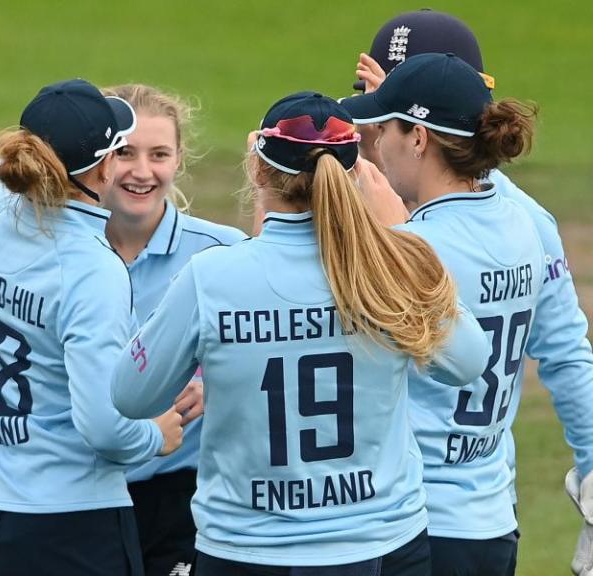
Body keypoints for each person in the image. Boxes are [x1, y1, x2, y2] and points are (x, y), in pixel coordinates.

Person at [112, 90, 490, 575]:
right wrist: (402, 242)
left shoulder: (212, 277)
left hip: (247, 551)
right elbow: (468, 362)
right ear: (354, 173)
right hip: (381, 543)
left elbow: (129, 396)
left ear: (257, 170)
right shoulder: (392, 267)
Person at [350, 11, 593, 575]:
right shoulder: (519, 221)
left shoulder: (406, 233)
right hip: (484, 517)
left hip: (404, 522)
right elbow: (567, 354)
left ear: (420, 131)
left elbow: (563, 354)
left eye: (385, 105)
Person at [0, 78, 184, 576]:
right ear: (103, 168)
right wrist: (155, 437)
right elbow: (103, 426)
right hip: (68, 527)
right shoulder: (91, 269)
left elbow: (1, 170)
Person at [101, 83, 247, 576]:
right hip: (82, 493)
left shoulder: (224, 252)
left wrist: (215, 384)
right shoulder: (66, 250)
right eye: (125, 153)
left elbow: (271, 352)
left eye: (159, 154)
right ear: (99, 157)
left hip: (180, 498)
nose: (142, 172)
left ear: (179, 159)